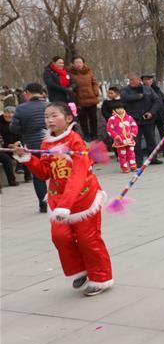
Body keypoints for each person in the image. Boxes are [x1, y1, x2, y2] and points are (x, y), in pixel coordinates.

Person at [12, 103, 113, 295]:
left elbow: (79, 174)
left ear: (68, 118)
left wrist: (66, 204)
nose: (49, 120)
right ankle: (80, 270)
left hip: (83, 198)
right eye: (46, 116)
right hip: (58, 199)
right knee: (60, 237)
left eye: (54, 115)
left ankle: (101, 278)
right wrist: (27, 158)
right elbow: (44, 173)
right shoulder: (46, 143)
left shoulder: (76, 141)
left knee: (88, 239)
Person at [11, 83, 50, 212]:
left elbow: (14, 128)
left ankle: (43, 203)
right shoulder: (51, 106)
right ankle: (63, 200)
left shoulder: (21, 109)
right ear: (42, 93)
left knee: (38, 176)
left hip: (32, 145)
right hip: (52, 144)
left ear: (27, 92)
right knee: (57, 171)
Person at [120, 73, 163, 166]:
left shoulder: (148, 89)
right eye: (129, 80)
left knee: (151, 140)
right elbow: (124, 98)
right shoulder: (125, 90)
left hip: (148, 119)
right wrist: (139, 96)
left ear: (138, 80)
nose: (130, 82)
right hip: (134, 120)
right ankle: (137, 161)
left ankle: (153, 158)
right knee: (136, 142)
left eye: (132, 80)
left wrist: (151, 112)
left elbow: (157, 101)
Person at [69, 56, 100, 140]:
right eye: (76, 62)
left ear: (83, 63)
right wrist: (74, 96)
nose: (78, 64)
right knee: (83, 119)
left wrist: (96, 92)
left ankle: (94, 134)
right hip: (79, 100)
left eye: (80, 62)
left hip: (91, 98)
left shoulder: (89, 72)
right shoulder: (70, 74)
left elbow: (95, 83)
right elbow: (70, 86)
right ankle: (86, 134)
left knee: (93, 118)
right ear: (73, 64)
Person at [106, 100, 138, 173]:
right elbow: (110, 129)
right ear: (114, 110)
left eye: (121, 108)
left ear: (124, 108)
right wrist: (116, 136)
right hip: (120, 141)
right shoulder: (112, 119)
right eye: (117, 108)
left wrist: (133, 134)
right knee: (122, 155)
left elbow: (134, 126)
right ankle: (124, 167)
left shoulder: (129, 117)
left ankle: (133, 166)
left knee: (131, 153)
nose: (120, 110)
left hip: (129, 139)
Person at [142, 75, 164, 157]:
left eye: (149, 79)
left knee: (163, 134)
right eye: (145, 79)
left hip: (160, 115)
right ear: (142, 81)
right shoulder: (142, 90)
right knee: (151, 136)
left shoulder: (156, 89)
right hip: (149, 116)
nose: (148, 81)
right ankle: (153, 154)